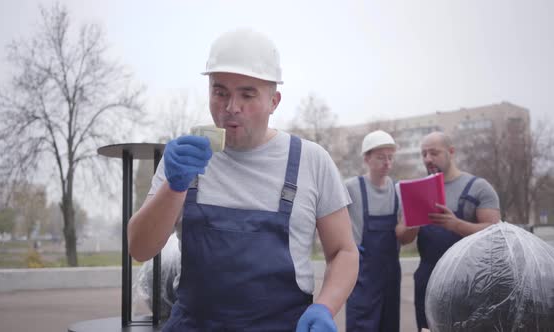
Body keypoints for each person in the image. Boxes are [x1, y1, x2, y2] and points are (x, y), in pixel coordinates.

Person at [128, 28, 358, 332]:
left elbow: (343, 250)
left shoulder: (310, 161)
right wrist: (175, 186)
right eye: (219, 91)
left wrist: (325, 307)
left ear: (274, 101)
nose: (230, 106)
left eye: (247, 94)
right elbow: (140, 248)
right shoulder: (185, 158)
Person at [395, 131, 501, 331]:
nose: (428, 159)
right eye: (423, 154)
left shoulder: (478, 187)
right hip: (427, 278)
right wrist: (415, 220)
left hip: (469, 281)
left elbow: (496, 231)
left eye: (434, 153)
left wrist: (455, 224)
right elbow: (402, 236)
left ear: (451, 152)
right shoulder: (415, 190)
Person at [345, 130, 401, 332]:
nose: (387, 163)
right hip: (361, 275)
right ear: (366, 158)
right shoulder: (351, 188)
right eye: (380, 157)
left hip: (390, 275)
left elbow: (404, 234)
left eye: (390, 157)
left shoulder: (398, 190)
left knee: (389, 325)